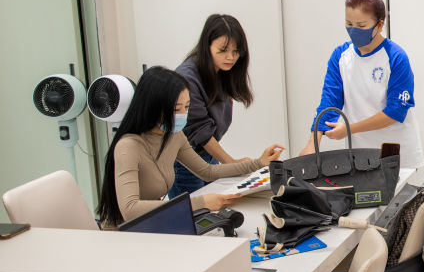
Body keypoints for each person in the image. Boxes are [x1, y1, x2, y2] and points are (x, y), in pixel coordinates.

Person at [96, 66, 284, 228]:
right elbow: (130, 209)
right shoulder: (128, 146)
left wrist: (258, 163)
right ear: (154, 107)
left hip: (154, 224)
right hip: (125, 234)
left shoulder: (173, 135)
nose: (183, 115)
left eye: (186, 107)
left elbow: (207, 171)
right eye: (176, 109)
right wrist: (200, 202)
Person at [298, 0, 424, 169]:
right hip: (361, 154)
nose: (354, 31)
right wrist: (312, 144)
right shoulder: (340, 56)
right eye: (349, 24)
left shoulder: (395, 57)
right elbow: (329, 101)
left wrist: (348, 130)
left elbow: (395, 111)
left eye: (361, 26)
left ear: (379, 25)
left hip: (396, 150)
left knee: (395, 188)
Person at [169, 13, 259, 197]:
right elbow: (201, 132)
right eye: (223, 50)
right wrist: (232, 164)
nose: (230, 57)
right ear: (207, 45)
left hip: (207, 155)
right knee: (195, 212)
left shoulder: (221, 71)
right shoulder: (188, 77)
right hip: (186, 162)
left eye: (236, 51)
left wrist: (231, 165)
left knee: (215, 207)